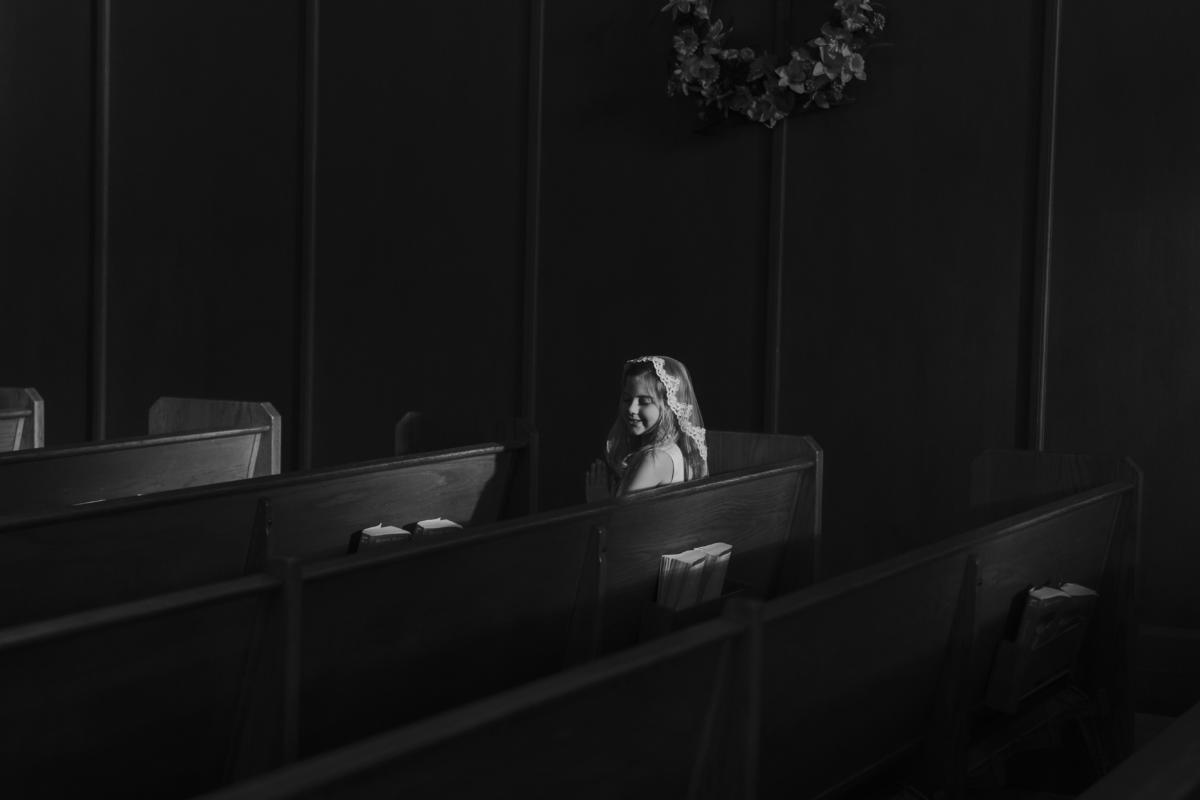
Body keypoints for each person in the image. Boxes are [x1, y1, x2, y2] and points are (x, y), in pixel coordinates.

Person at [585, 355, 708, 502]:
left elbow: (621, 515)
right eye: (627, 399)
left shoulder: (654, 460)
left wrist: (599, 500)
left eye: (644, 401)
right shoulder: (669, 449)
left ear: (669, 406)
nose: (631, 409)